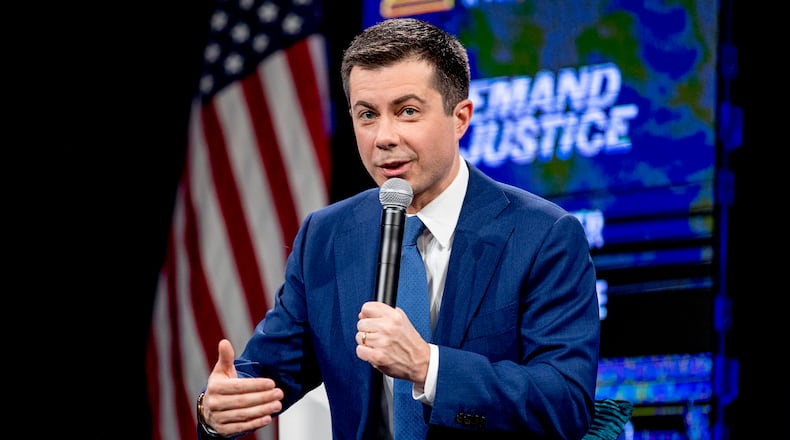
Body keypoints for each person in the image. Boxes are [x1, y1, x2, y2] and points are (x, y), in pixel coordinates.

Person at [196, 17, 600, 439]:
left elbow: (565, 403)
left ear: (460, 117)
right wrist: (217, 405)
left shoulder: (544, 235)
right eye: (367, 115)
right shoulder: (326, 236)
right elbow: (268, 371)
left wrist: (428, 366)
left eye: (407, 111)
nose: (384, 137)